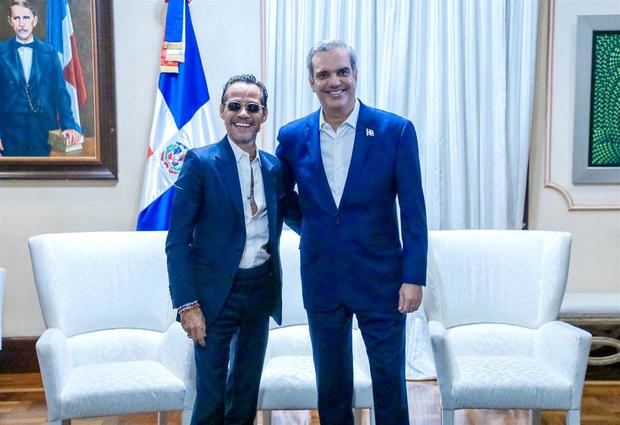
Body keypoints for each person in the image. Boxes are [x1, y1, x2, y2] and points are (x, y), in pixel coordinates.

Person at [276, 40, 428, 425]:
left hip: (383, 280)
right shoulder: (293, 137)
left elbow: (413, 212)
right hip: (322, 277)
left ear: (355, 75)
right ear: (311, 82)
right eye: (324, 74)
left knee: (389, 383)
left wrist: (414, 277)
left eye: (342, 71)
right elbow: (281, 196)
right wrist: (312, 226)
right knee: (331, 385)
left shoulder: (395, 131)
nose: (335, 81)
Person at [166, 74, 285, 425]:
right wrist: (187, 305)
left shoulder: (274, 168)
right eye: (235, 106)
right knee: (212, 393)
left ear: (263, 114)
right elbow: (177, 241)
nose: (243, 113)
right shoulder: (200, 164)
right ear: (222, 111)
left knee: (246, 390)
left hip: (259, 291)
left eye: (252, 107)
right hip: (213, 296)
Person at [0, 0, 80, 157]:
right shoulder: (1, 53)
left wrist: (69, 126)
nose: (22, 23)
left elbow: (60, 93)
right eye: (17, 18)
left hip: (43, 134)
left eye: (26, 18)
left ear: (35, 21)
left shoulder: (50, 54)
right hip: (9, 135)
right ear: (10, 21)